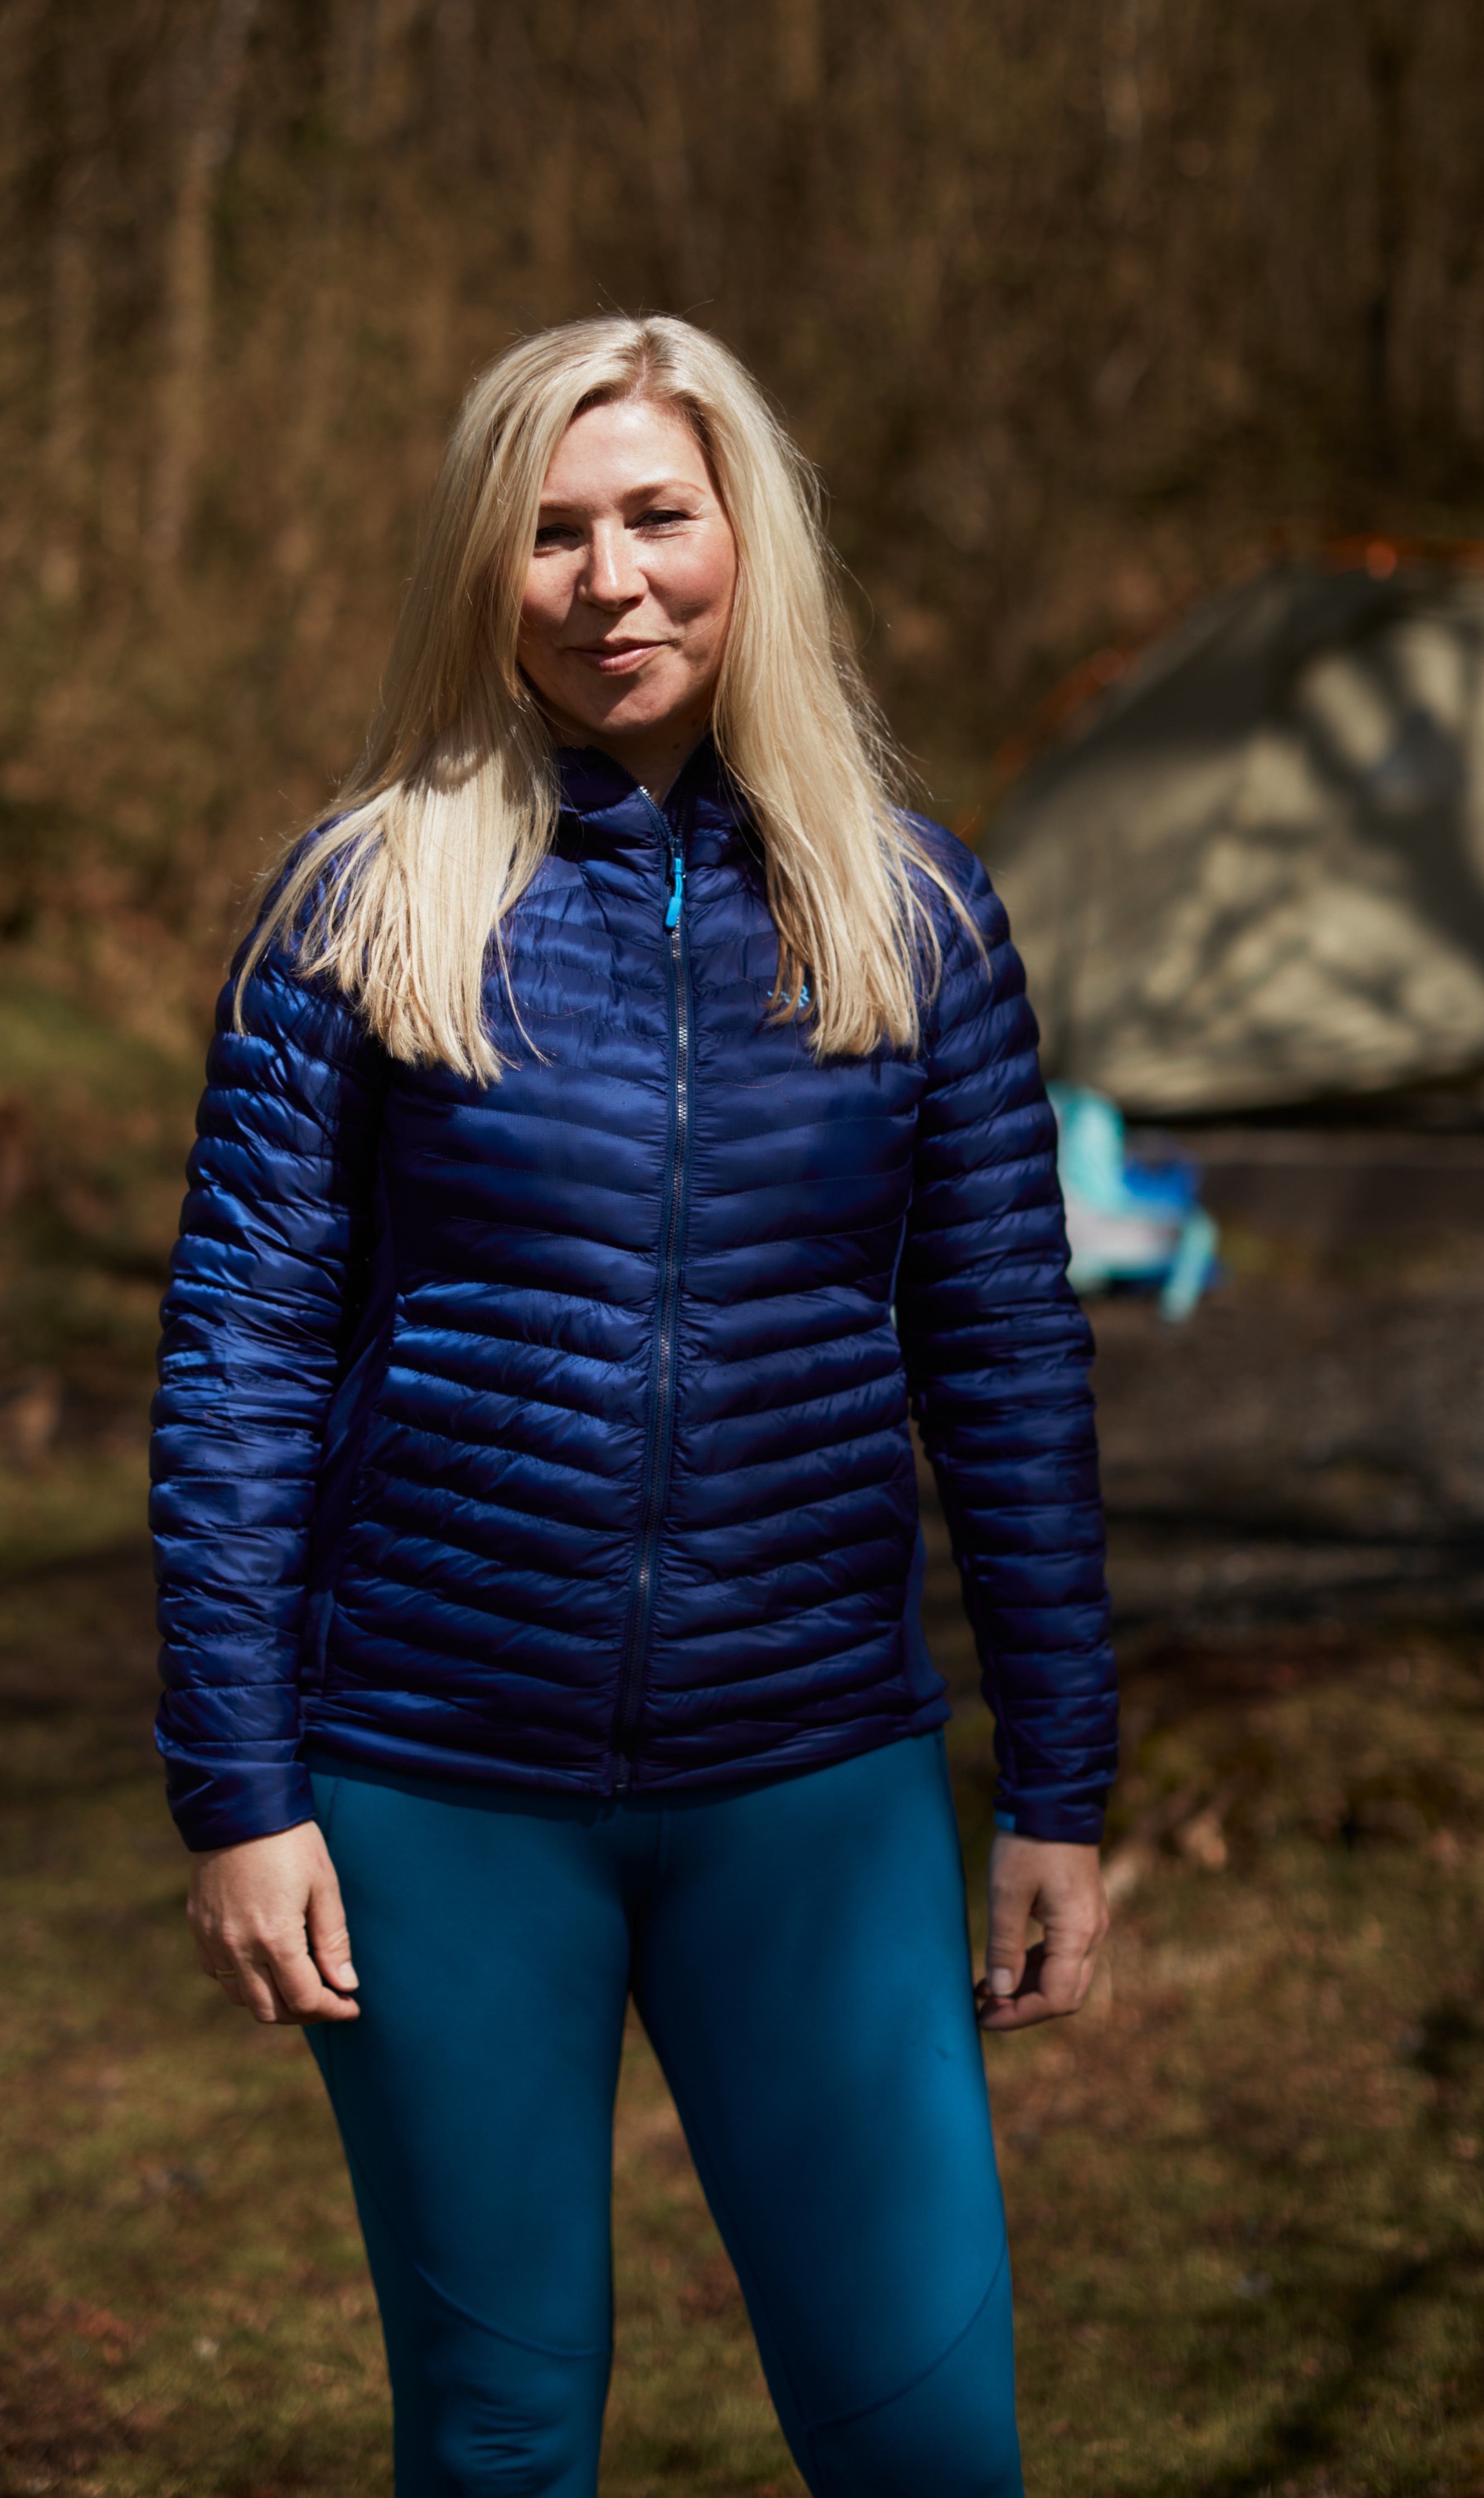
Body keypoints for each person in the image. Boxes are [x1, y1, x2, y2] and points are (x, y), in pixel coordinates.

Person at [151, 313, 1115, 2498]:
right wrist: (237, 1787)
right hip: (434, 1792)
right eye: (553, 532)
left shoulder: (916, 909)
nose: (614, 581)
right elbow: (237, 1363)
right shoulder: (359, 905)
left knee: (932, 2439)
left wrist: (1061, 1780)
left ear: (743, 538)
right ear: (486, 575)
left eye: (659, 518)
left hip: (818, 1791)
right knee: (500, 2436)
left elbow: (1012, 1371)